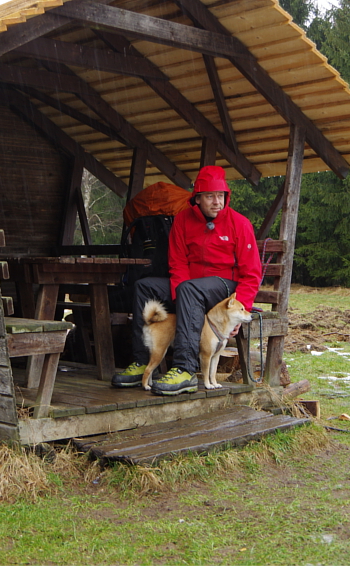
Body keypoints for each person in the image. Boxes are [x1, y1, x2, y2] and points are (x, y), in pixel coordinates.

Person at [111, 165, 262, 395]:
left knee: (189, 289)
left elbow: (252, 274)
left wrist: (241, 309)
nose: (216, 202)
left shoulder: (239, 223)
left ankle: (185, 369)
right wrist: (178, 296)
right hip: (190, 288)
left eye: (221, 196)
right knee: (145, 286)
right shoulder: (182, 221)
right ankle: (143, 361)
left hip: (224, 288)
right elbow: (177, 264)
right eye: (210, 196)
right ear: (198, 198)